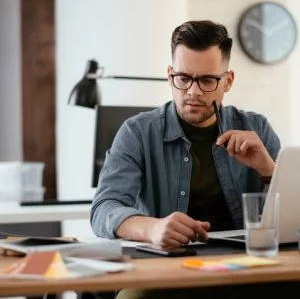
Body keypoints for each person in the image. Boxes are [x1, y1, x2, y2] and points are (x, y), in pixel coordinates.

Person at [89, 20, 282, 298]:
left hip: (247, 267)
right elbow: (104, 209)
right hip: (165, 269)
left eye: (207, 80)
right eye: (183, 79)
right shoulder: (138, 132)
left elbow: (292, 219)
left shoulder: (257, 129)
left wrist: (268, 170)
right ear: (170, 76)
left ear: (227, 81)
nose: (193, 92)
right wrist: (152, 228)